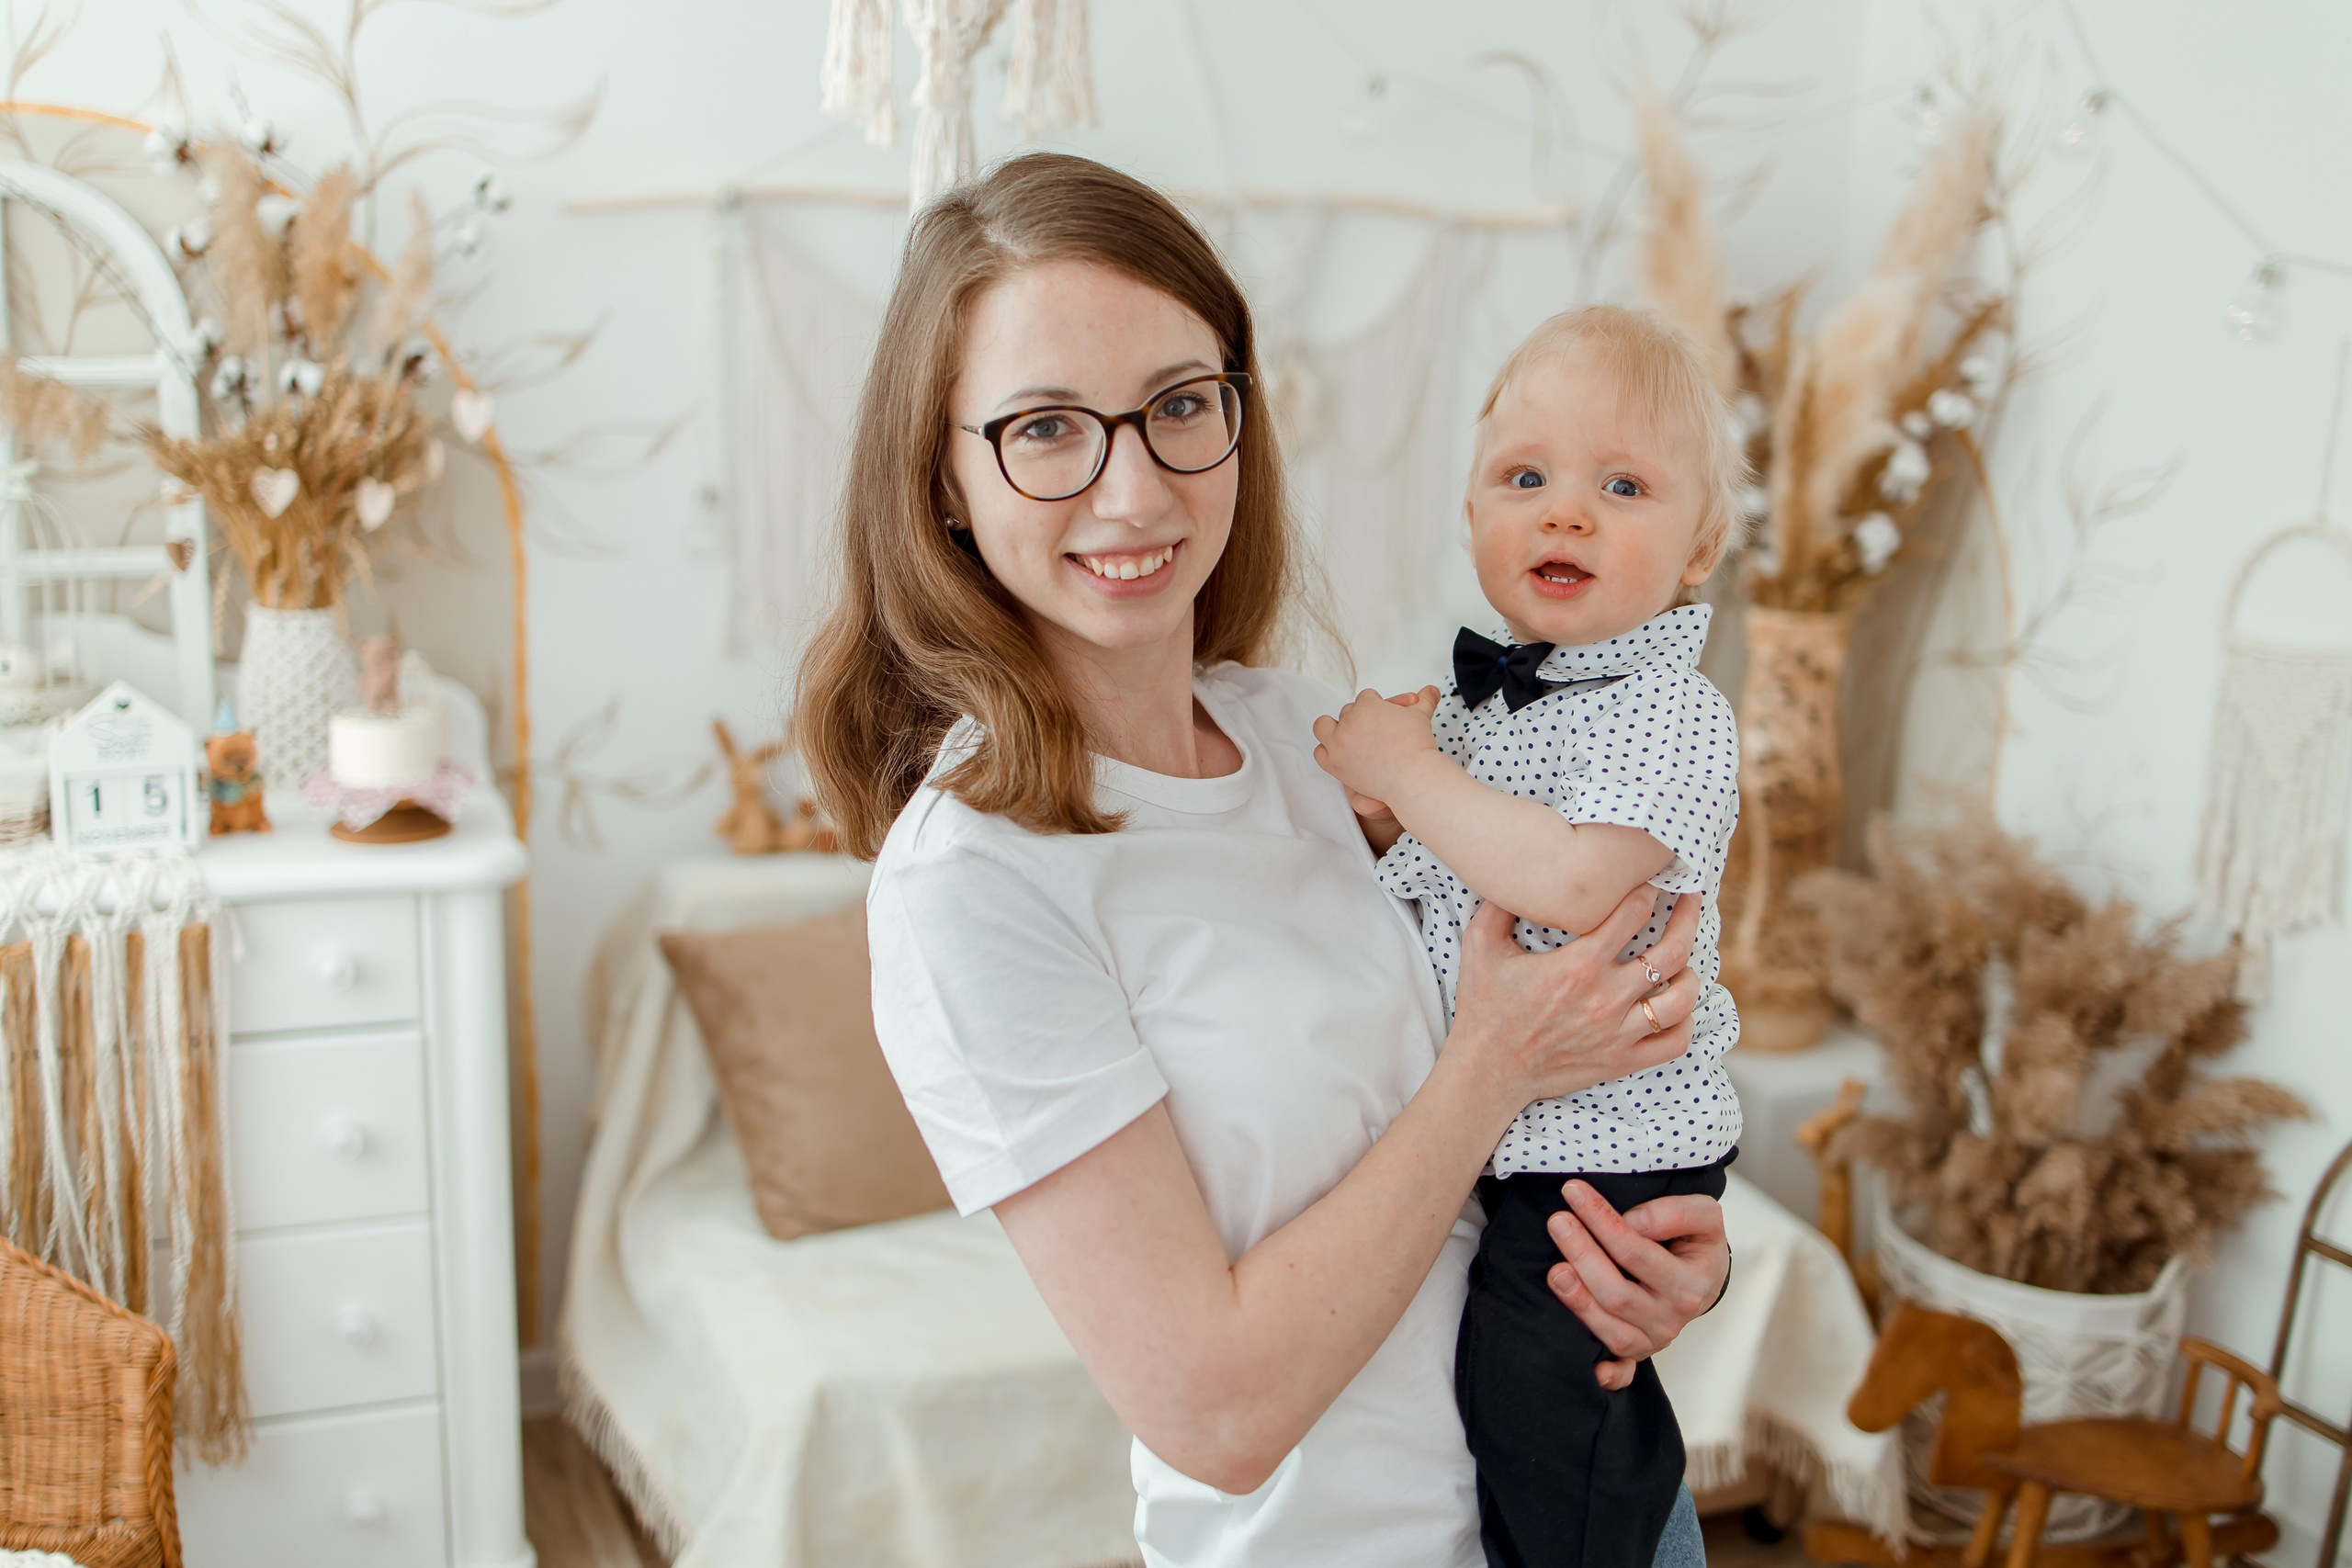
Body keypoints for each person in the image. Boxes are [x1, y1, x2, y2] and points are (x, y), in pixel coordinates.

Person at [796, 152, 1732, 1568]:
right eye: (1047, 428)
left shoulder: (1320, 740)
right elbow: (1214, 1412)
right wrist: (1498, 1062)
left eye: (1180, 405)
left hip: (1607, 1503)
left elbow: (1598, 987)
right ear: (942, 473)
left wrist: (1660, 1249)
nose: (1132, 490)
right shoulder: (976, 880)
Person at [1313, 304, 1746, 1568]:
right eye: (1526, 477)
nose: (1567, 512)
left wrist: (1408, 767)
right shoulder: (1485, 709)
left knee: (1546, 1418)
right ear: (1470, 515)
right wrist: (1385, 816)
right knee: (1525, 1399)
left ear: (1701, 544)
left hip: (1608, 1152)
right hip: (1521, 1145)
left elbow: (1563, 884)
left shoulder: (1672, 710)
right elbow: (1443, 899)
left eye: (1623, 485)